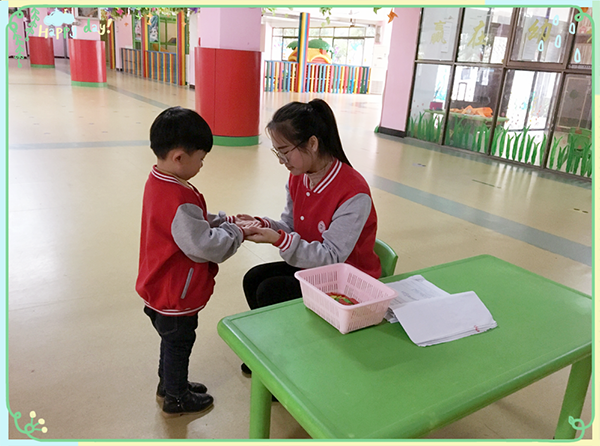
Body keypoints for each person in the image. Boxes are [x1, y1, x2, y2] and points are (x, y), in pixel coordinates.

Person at [239, 98, 381, 373]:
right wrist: (261, 224)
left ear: (312, 143)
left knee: (271, 291)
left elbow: (332, 257)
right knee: (253, 278)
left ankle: (287, 362)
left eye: (285, 152)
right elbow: (289, 225)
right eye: (277, 152)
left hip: (348, 279)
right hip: (315, 268)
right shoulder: (299, 176)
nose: (281, 161)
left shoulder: (353, 192)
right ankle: (275, 350)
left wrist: (278, 239)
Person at [135, 106, 251, 417]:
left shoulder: (159, 181)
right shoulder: (177, 196)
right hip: (176, 292)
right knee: (179, 344)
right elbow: (205, 246)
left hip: (158, 286)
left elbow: (190, 222)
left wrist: (224, 220)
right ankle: (176, 398)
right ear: (179, 157)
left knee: (170, 343)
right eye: (201, 159)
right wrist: (237, 232)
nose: (201, 165)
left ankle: (168, 384)